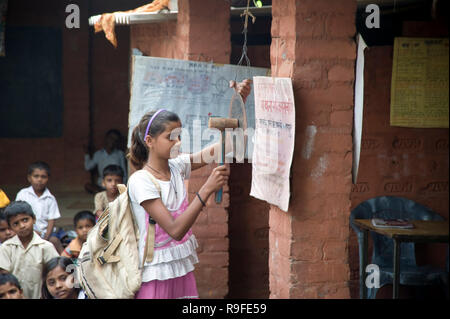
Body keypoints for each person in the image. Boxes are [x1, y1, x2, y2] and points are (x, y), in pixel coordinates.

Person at [0, 201, 59, 299]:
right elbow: (3, 275)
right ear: (10, 227)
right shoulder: (7, 247)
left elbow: (55, 272)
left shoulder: (45, 247)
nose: (22, 226)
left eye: (25, 220)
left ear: (34, 219)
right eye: (16, 223)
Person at [15, 161, 64, 254]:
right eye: (36, 176)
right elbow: (18, 216)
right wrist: (31, 231)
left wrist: (45, 238)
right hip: (27, 230)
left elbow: (51, 220)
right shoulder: (23, 194)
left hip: (46, 233)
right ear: (29, 178)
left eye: (43, 177)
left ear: (48, 178)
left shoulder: (50, 198)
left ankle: (67, 263)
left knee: (54, 241)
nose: (39, 180)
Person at [84, 129, 128, 194]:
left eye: (115, 140)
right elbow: (88, 167)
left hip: (116, 184)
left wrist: (122, 185)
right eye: (111, 138)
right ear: (106, 139)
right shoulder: (98, 154)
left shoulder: (120, 154)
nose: (112, 141)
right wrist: (87, 154)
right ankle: (105, 193)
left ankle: (109, 193)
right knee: (88, 186)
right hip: (102, 185)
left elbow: (124, 172)